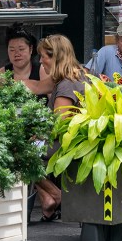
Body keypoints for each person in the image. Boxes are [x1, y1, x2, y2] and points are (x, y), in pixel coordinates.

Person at [35, 34, 91, 222]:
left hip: (64, 145)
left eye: (44, 56)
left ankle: (57, 196)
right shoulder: (81, 75)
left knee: (17, 154)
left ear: (56, 57)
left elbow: (59, 125)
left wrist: (35, 135)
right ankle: (47, 200)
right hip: (79, 140)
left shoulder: (66, 85)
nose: (41, 61)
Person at [0, 24, 53, 97]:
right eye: (12, 50)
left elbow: (54, 101)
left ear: (31, 49)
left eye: (21, 49)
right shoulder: (0, 74)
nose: (17, 54)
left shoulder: (44, 71)